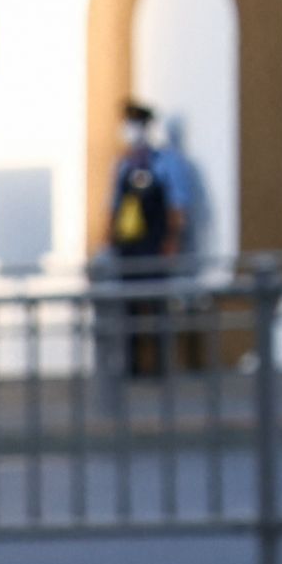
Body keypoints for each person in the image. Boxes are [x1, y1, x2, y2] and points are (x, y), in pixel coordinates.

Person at [100, 98, 179, 379]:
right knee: (129, 308)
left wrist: (171, 242)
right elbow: (113, 206)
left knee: (157, 305)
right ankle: (133, 365)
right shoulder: (123, 164)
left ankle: (159, 365)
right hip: (128, 246)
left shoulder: (164, 162)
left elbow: (176, 207)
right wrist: (107, 242)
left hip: (154, 245)